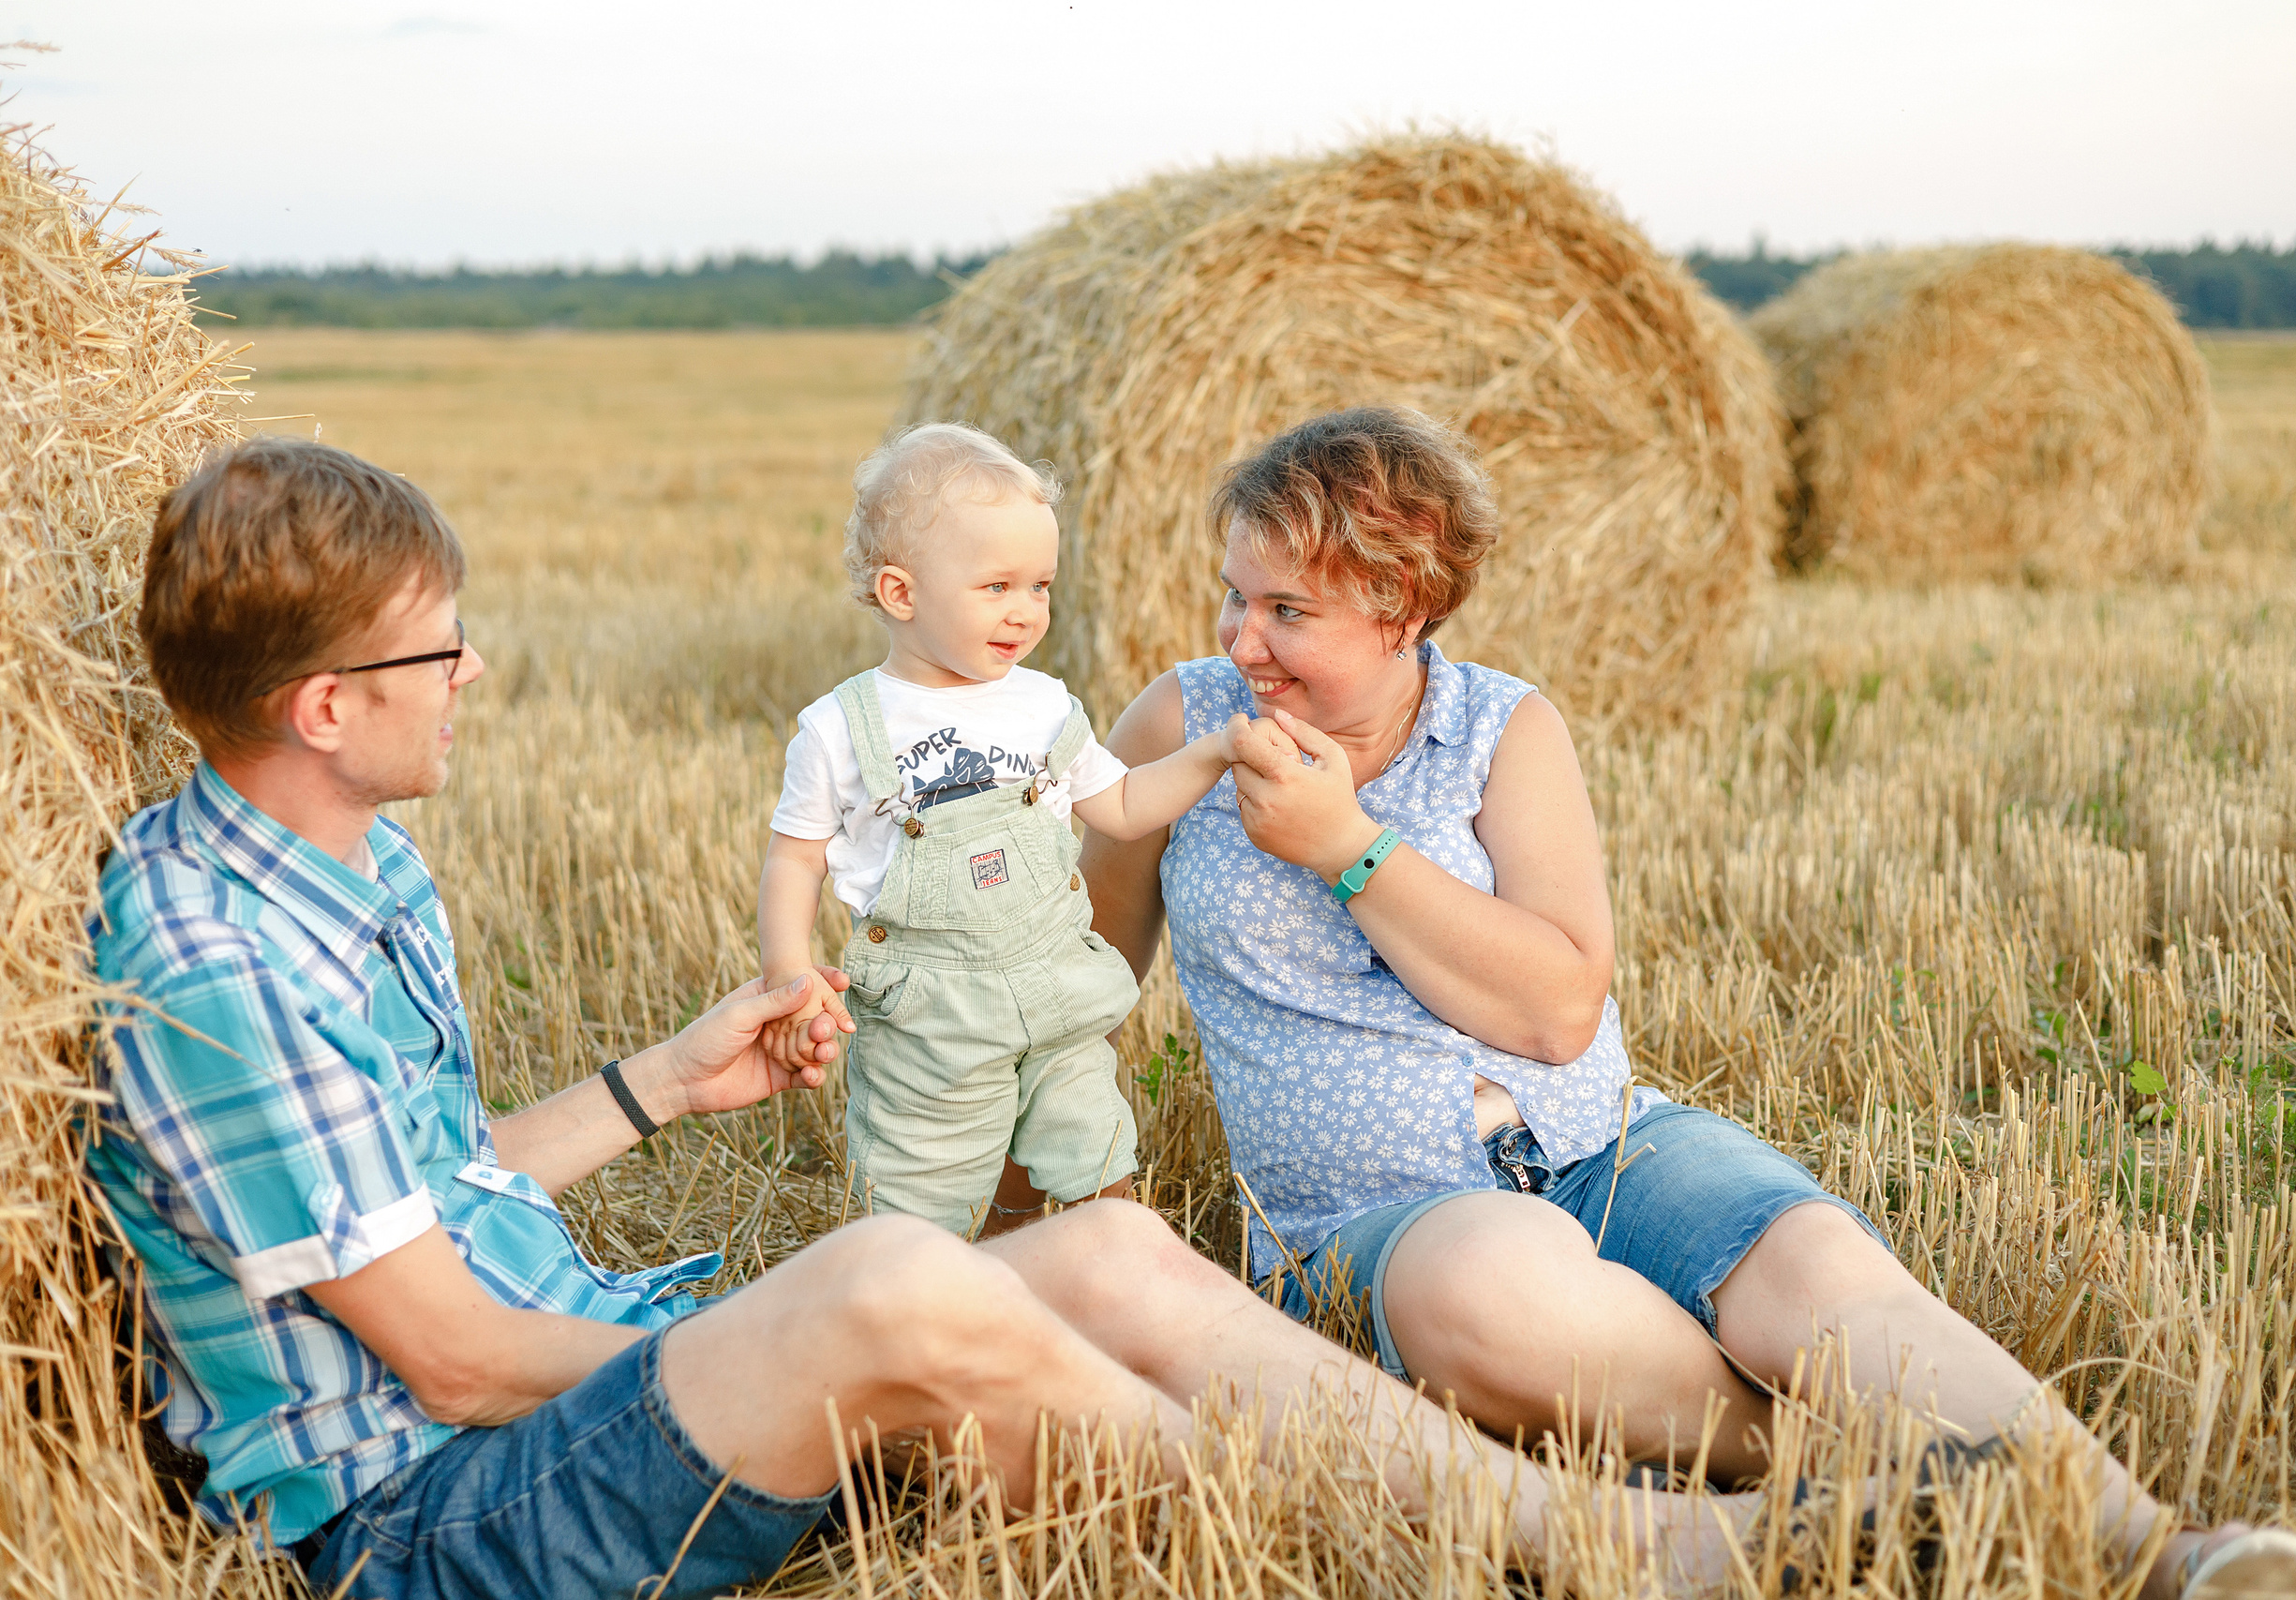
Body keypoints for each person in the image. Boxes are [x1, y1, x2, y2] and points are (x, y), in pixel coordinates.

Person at [92, 434, 1775, 1600]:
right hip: (446, 1518)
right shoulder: (216, 961)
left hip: (553, 1401)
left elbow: (421, 1184)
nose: (470, 674)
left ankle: (1565, 1524)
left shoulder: (349, 869)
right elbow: (453, 1360)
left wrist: (652, 1084)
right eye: (433, 652)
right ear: (324, 705)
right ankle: (1506, 1547)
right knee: (892, 1282)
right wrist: (794, 1352)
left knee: (1104, 1250)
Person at [1076, 406, 2296, 1600]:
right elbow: (1075, 969)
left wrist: (1348, 845)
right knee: (1499, 1285)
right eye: (1235, 594)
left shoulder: (1503, 729)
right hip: (1369, 1213)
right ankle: (1876, 1476)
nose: (1241, 638)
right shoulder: (1181, 721)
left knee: (1837, 1282)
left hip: (1611, 1146)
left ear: (1402, 604)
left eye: (1285, 608)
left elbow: (1559, 1006)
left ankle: (2156, 1545)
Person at [757, 423, 1241, 1237]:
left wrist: (1216, 752)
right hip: (930, 1015)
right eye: (997, 587)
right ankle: (935, 1319)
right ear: (900, 594)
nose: (1025, 612)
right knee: (923, 1204)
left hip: (1056, 989)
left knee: (1100, 1160)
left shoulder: (1045, 703)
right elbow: (795, 860)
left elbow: (1122, 806)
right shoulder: (842, 727)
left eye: (1041, 587)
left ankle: (1117, 1291)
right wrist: (788, 970)